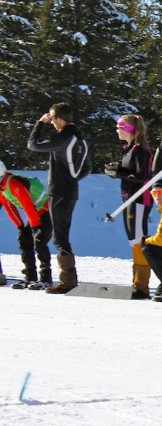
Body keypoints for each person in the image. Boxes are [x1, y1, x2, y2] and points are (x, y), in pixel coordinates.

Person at [27, 102, 92, 294]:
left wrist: (39, 123)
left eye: (52, 118)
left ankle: (68, 280)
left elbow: (32, 144)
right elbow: (87, 168)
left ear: (59, 119)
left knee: (60, 236)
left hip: (60, 192)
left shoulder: (64, 137)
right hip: (69, 190)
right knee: (59, 234)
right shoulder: (80, 137)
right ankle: (67, 278)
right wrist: (71, 179)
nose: (50, 121)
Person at [104, 115, 154, 300]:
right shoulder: (128, 148)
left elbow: (142, 175)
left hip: (140, 198)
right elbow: (129, 172)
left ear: (129, 129)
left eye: (119, 127)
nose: (117, 130)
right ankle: (137, 283)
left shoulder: (141, 149)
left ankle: (142, 286)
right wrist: (116, 170)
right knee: (133, 240)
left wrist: (120, 173)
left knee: (139, 240)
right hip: (128, 199)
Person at [0, 161, 53, 290]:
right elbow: (8, 207)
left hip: (47, 209)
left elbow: (27, 205)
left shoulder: (13, 183)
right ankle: (30, 277)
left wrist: (35, 227)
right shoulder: (1, 186)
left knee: (40, 241)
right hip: (34, 212)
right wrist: (20, 226)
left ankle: (46, 279)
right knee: (24, 240)